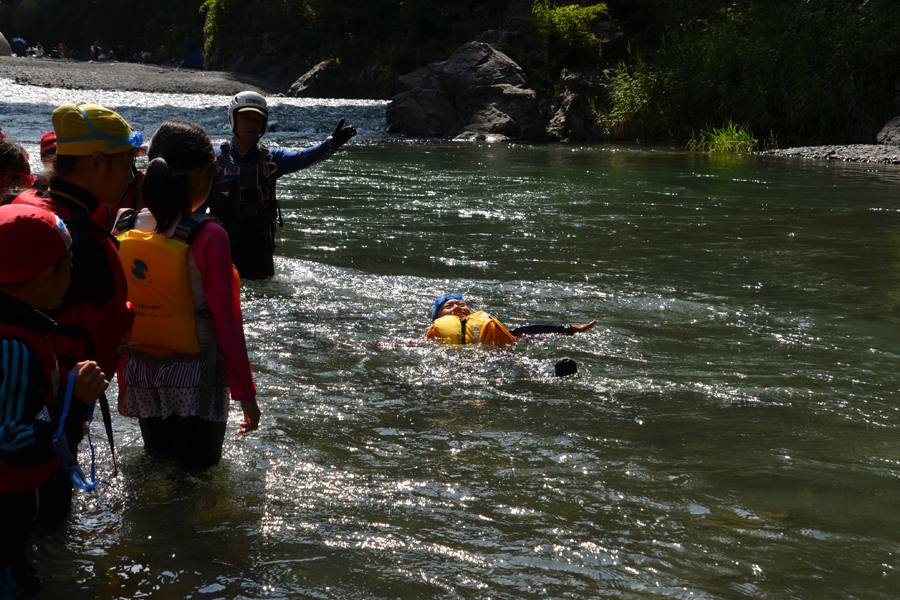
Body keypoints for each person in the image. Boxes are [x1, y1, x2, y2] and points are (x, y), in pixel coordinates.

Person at [117, 119, 261, 468]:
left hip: (142, 373)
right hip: (199, 377)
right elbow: (226, 321)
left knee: (156, 466)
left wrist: (123, 380)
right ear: (202, 178)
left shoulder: (124, 224)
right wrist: (246, 395)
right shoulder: (209, 235)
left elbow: (121, 314)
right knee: (198, 478)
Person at [11, 104, 139, 471]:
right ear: (96, 163)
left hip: (40, 405)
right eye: (127, 162)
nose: (132, 175)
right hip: (47, 415)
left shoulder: (30, 208)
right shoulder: (72, 241)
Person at [0, 204, 109, 598]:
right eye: (68, 265)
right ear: (44, 277)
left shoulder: (17, 329)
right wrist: (72, 402)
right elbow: (13, 444)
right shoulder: (13, 347)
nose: (72, 275)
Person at [205, 91, 357, 279]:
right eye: (245, 117)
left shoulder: (272, 160)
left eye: (257, 119)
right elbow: (197, 207)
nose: (252, 123)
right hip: (222, 248)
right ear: (233, 120)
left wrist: (329, 146)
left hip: (259, 251)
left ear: (264, 125)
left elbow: (303, 157)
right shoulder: (212, 160)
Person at [426, 294, 596, 345]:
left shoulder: (488, 326)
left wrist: (570, 329)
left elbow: (532, 332)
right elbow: (409, 343)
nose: (457, 307)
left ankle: (556, 373)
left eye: (461, 304)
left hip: (494, 359)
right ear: (438, 318)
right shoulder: (435, 337)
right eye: (449, 307)